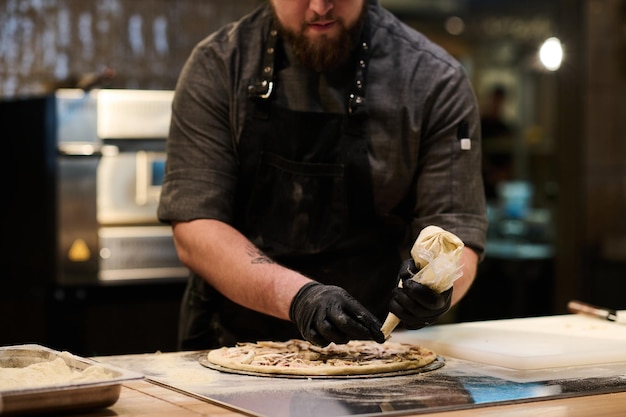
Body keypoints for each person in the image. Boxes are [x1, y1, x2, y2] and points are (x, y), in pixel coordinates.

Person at [157, 0, 487, 350]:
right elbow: (195, 228)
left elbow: (456, 233)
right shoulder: (220, 65)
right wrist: (301, 297)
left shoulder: (434, 80)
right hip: (226, 344)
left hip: (375, 350)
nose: (319, 8)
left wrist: (437, 286)